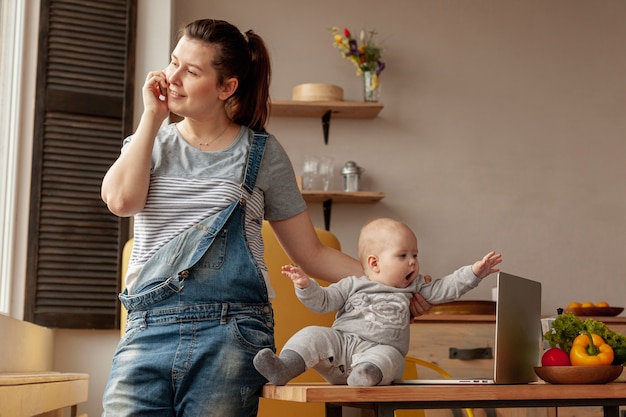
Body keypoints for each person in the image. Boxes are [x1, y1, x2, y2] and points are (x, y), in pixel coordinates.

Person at [100, 19, 431, 417]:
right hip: (146, 329)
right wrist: (151, 119)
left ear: (227, 87)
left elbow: (312, 254)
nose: (172, 78)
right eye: (173, 63)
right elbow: (121, 201)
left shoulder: (261, 153)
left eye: (191, 71)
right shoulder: (148, 141)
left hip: (231, 332)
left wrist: (392, 286)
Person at [253, 217, 502, 386]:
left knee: (393, 357)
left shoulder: (415, 287)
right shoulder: (352, 283)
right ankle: (285, 367)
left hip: (376, 354)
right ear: (374, 263)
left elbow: (446, 287)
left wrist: (474, 272)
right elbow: (324, 301)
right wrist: (306, 286)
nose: (413, 261)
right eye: (403, 255)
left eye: (415, 254)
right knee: (312, 334)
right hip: (340, 349)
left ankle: (366, 375)